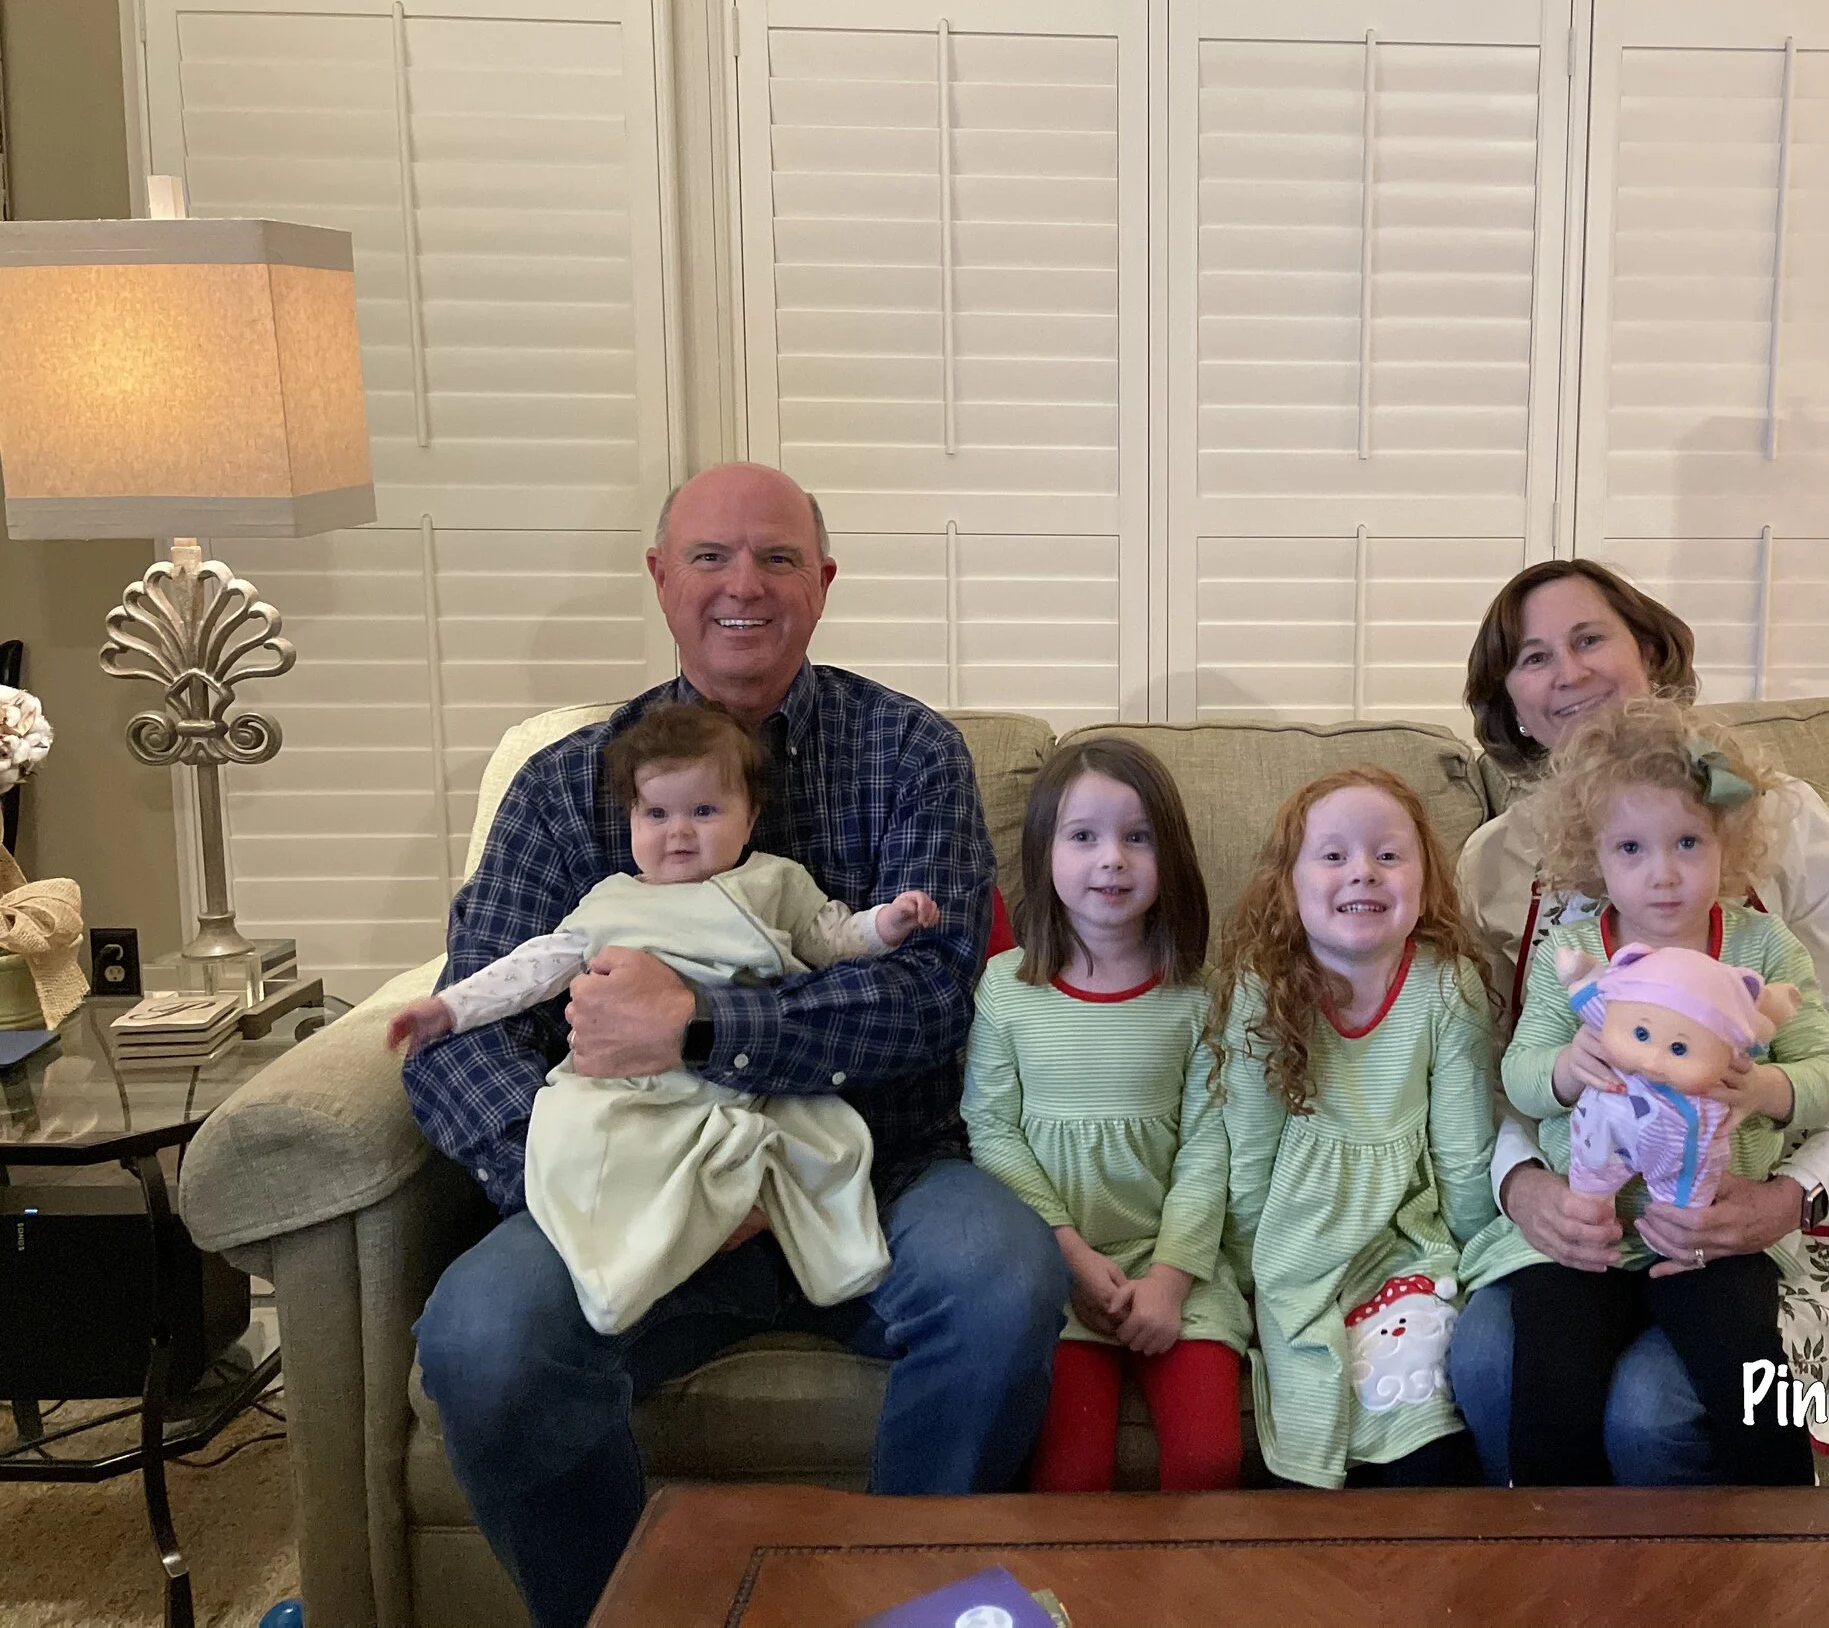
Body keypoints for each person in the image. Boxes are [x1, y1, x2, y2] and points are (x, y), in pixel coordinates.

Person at [402, 463, 1066, 1628]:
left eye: (777, 558)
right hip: (631, 1182)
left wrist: (702, 1025)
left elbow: (931, 998)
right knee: (482, 1338)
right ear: (661, 577)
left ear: (823, 582)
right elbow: (465, 1032)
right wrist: (594, 1176)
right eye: (709, 557)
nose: (742, 585)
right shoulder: (566, 786)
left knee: (1003, 1280)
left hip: (873, 1168)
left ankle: (900, 1612)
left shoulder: (910, 753)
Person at [1446, 558, 1829, 1481]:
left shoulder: (1772, 821)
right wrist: (1524, 1187)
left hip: (1767, 1186)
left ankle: (1757, 1563)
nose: (1568, 672)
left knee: (1652, 1412)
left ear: (1652, 654)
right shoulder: (1495, 864)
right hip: (1586, 1194)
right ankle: (1545, 1562)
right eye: (1534, 657)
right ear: (1511, 705)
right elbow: (1496, 1068)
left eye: (1589, 639)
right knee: (1492, 1358)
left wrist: (1787, 1194)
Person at [388, 700, 940, 1335]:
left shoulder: (774, 882)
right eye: (656, 814)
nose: (679, 832)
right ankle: (637, 1262)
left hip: (741, 1076)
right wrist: (449, 1008)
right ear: (630, 818)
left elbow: (830, 938)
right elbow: (531, 968)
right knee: (574, 1135)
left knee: (822, 1141)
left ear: (750, 816)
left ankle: (750, 1223)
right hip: (630, 1087)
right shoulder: (609, 901)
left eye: (704, 812)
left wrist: (886, 924)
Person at [1463, 700, 1829, 1486]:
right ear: (1595, 856)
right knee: (1549, 1373)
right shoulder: (1573, 952)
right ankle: (1552, 1546)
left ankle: (1790, 1538)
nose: (1664, 872)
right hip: (1589, 1225)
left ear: (1727, 842)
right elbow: (1518, 1076)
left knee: (1747, 1370)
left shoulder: (1763, 949)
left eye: (1688, 842)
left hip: (1713, 1226)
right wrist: (1566, 1067)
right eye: (1632, 848)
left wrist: (1767, 1085)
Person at [962, 736, 1247, 1491]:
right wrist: (1071, 1259)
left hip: (1179, 1265)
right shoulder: (1005, 989)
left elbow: (1211, 1146)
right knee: (1069, 1477)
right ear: (1042, 854)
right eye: (1083, 837)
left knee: (1209, 1462)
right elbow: (992, 1132)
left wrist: (1171, 1280)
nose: (1112, 859)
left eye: (1138, 837)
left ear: (1170, 855)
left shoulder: (1203, 995)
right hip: (1056, 1270)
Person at [1207, 766, 1498, 1490]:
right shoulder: (1262, 990)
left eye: (1388, 855)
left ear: (1426, 881)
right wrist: (1246, 1276)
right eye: (1333, 855)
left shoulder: (1446, 984)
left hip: (1407, 1238)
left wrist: (1475, 1261)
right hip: (1293, 1243)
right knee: (1312, 1408)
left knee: (1424, 1425)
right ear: (1289, 883)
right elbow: (1247, 1158)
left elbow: (1463, 1153)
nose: (1363, 871)